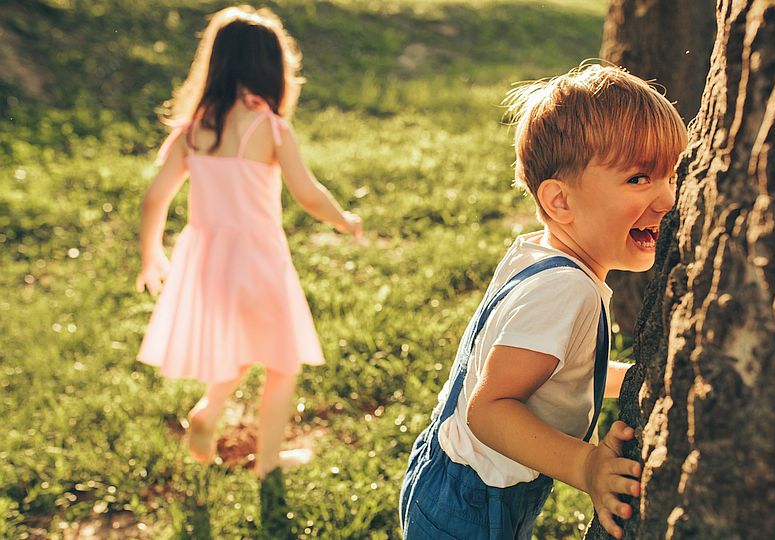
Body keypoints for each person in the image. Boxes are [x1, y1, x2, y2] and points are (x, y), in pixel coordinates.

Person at [399, 63, 687, 539]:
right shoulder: (564, 289)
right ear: (561, 203)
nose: (668, 200)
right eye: (639, 178)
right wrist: (585, 465)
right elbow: (489, 409)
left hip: (458, 478)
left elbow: (559, 373)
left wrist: (636, 379)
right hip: (472, 502)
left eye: (670, 176)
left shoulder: (541, 252)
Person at [135, 5, 362, 479]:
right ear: (271, 68)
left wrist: (151, 255)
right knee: (280, 362)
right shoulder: (270, 128)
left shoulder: (193, 130)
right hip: (258, 258)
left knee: (243, 343)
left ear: (214, 63)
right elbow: (308, 194)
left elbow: (154, 198)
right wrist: (344, 220)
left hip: (206, 259)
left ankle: (208, 409)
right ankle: (267, 462)